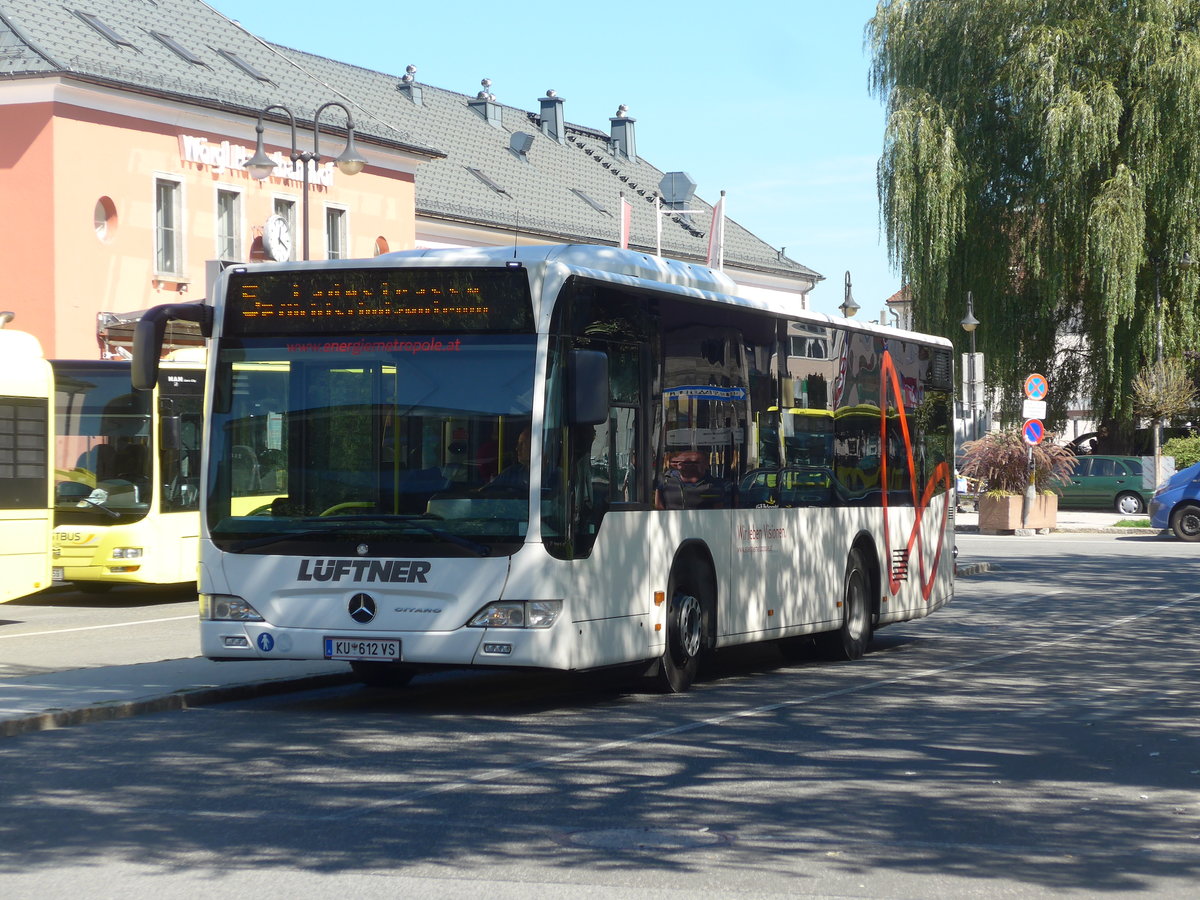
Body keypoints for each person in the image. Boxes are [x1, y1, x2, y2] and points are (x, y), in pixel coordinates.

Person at [655, 449, 734, 509]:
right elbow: (659, 509)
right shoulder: (665, 481)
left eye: (695, 463)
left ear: (706, 464)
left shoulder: (716, 485)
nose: (688, 466)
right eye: (685, 462)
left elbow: (719, 512)